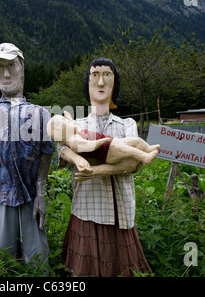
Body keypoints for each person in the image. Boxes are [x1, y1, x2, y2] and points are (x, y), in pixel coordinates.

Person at [58, 57, 152, 277]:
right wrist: (76, 158)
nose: (100, 83)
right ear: (87, 84)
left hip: (120, 206)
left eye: (107, 76)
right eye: (95, 76)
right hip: (87, 204)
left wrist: (95, 169)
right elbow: (61, 148)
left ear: (114, 83)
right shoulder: (77, 125)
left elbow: (132, 163)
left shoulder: (127, 124)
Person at [0, 43, 55, 269]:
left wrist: (42, 194)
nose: (6, 73)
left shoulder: (40, 114)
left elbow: (46, 155)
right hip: (2, 195)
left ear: (22, 67)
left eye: (11, 65)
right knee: (2, 260)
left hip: (31, 195)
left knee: (36, 259)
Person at [47, 112, 160, 174]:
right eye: (64, 121)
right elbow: (89, 146)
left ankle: (148, 148)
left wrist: (68, 117)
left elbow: (72, 123)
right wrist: (102, 141)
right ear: (60, 129)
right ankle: (145, 157)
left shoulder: (75, 131)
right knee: (129, 151)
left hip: (111, 144)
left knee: (136, 141)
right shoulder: (74, 142)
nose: (67, 121)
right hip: (108, 152)